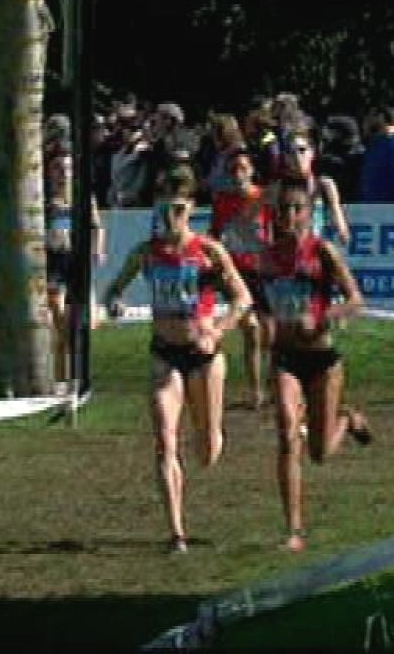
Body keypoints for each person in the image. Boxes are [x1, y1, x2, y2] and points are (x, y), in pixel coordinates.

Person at [102, 195, 251, 552]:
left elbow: (243, 298)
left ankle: (211, 435)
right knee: (165, 442)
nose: (171, 218)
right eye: (164, 209)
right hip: (164, 354)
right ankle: (176, 533)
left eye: (179, 210)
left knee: (207, 448)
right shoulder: (146, 253)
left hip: (204, 356)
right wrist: (114, 302)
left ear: (191, 211)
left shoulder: (209, 251)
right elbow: (114, 289)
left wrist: (217, 330)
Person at [258, 178, 372, 554]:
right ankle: (292, 530)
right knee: (287, 433)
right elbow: (261, 305)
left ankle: (348, 420)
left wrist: (325, 318)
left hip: (322, 358)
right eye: (283, 209)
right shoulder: (268, 257)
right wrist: (265, 324)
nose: (289, 216)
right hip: (285, 358)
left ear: (309, 213)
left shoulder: (321, 251)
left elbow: (356, 300)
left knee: (320, 453)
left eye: (297, 209)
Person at [210, 149, 272, 411]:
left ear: (251, 171)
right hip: (236, 273)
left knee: (270, 332)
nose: (238, 174)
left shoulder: (265, 198)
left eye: (243, 168)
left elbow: (276, 232)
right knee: (251, 328)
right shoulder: (223, 202)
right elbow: (213, 236)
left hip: (264, 271)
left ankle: (275, 385)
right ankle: (256, 390)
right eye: (233, 169)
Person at [44, 145, 104, 390]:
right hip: (54, 262)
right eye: (59, 168)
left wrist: (97, 249)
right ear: (50, 172)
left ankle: (69, 379)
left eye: (68, 168)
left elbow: (96, 226)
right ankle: (62, 380)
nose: (64, 173)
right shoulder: (45, 201)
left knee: (79, 324)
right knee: (60, 323)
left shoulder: (83, 198)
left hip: (76, 261)